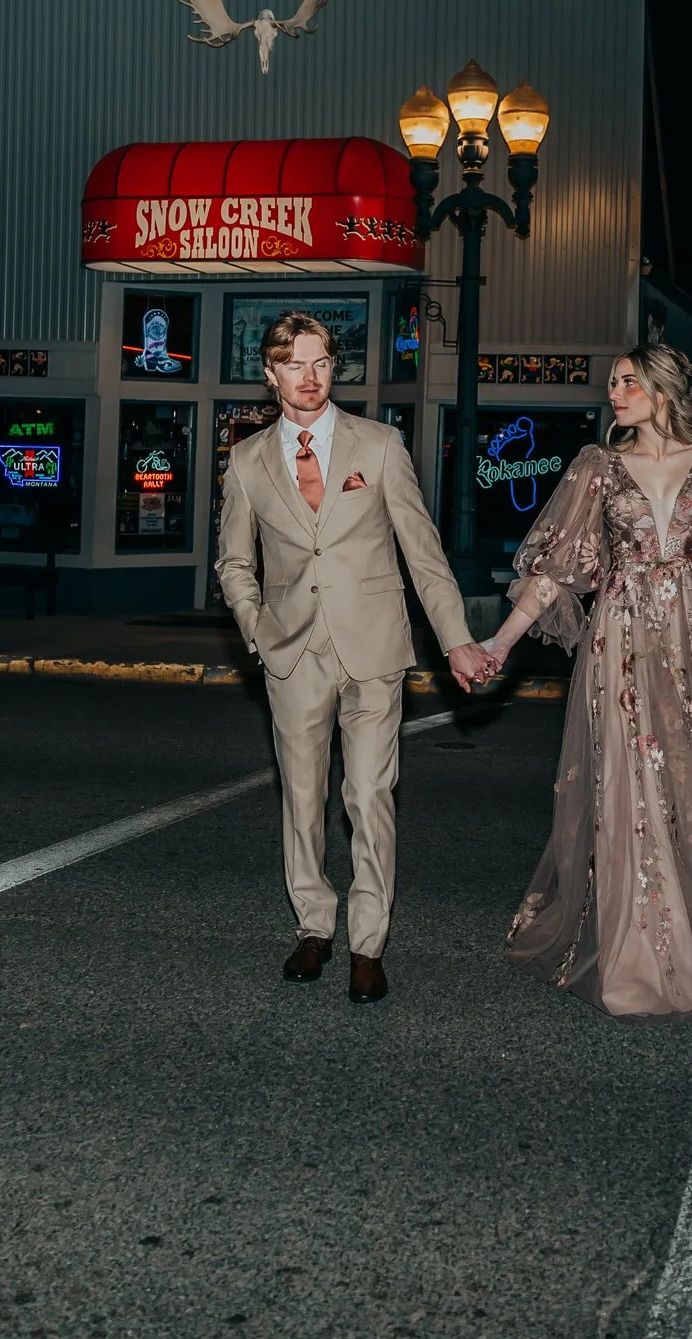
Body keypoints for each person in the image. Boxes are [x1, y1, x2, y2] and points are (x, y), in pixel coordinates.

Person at [478, 343, 692, 1021]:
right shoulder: (598, 467)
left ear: (662, 387)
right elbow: (555, 572)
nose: (613, 391)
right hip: (620, 641)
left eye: (626, 381)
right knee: (630, 784)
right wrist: (499, 643)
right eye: (613, 381)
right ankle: (637, 950)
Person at [215, 310, 495, 1004]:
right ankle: (314, 924)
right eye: (294, 365)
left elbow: (423, 552)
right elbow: (232, 562)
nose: (308, 378)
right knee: (302, 798)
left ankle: (368, 942)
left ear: (332, 367)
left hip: (372, 647)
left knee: (369, 794)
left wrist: (456, 637)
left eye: (320, 363)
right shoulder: (247, 461)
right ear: (271, 372)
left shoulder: (379, 445)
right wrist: (257, 626)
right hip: (291, 653)